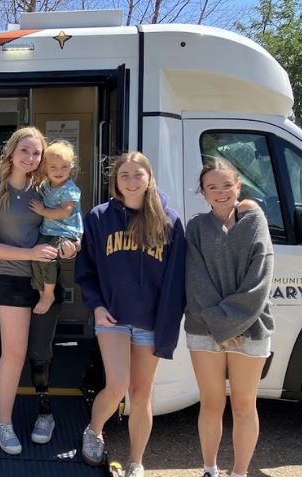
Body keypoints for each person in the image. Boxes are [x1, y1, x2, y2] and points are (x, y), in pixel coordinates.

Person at [74, 151, 186, 477]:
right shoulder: (98, 218)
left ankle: (137, 461)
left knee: (141, 394)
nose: (132, 181)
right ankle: (94, 430)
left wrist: (168, 323)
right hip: (113, 319)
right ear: (115, 181)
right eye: (125, 175)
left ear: (149, 178)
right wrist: (96, 304)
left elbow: (176, 280)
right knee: (117, 384)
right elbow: (86, 269)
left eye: (138, 174)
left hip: (150, 321)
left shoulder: (169, 222)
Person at [0, 127, 79, 455]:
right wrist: (30, 253)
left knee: (42, 352)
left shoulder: (47, 188)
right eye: (25, 151)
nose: (31, 158)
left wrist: (73, 246)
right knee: (14, 354)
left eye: (37, 153)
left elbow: (70, 225)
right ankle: (3, 422)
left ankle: (44, 413)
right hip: (11, 280)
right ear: (11, 152)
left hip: (45, 279)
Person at [185, 158, 274, 477]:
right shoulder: (195, 227)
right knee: (210, 403)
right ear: (203, 192)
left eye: (226, 185)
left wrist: (231, 324)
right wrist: (222, 326)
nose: (220, 192)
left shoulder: (255, 221)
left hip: (251, 328)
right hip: (204, 328)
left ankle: (239, 472)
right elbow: (194, 279)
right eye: (212, 187)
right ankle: (209, 469)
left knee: (243, 405)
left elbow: (259, 280)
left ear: (239, 187)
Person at [29, 140, 83, 315]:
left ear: (71, 166)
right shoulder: (46, 185)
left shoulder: (69, 188)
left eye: (64, 167)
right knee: (35, 259)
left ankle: (49, 294)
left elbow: (65, 212)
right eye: (53, 167)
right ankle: (42, 292)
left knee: (48, 259)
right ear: (45, 168)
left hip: (66, 233)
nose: (59, 172)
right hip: (49, 231)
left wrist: (43, 210)